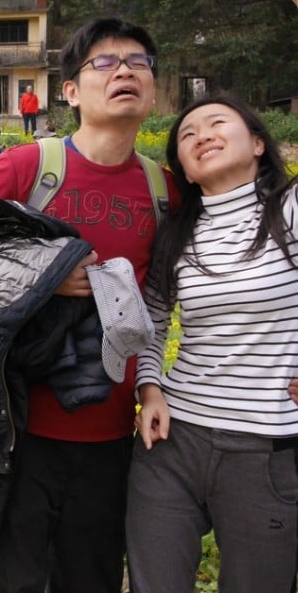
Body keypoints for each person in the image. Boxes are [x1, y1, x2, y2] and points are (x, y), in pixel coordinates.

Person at [0, 17, 174, 593]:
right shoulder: (28, 167)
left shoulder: (165, 190)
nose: (126, 71)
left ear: (154, 90)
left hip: (112, 438)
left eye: (139, 63)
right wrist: (43, 279)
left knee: (93, 579)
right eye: (104, 63)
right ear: (71, 92)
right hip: (17, 433)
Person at [126, 94, 298, 593]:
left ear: (259, 143)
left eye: (218, 122)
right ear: (182, 167)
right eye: (187, 134)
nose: (202, 134)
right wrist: (150, 391)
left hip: (265, 448)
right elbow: (153, 321)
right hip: (174, 443)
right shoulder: (176, 233)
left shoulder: (289, 209)